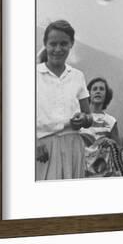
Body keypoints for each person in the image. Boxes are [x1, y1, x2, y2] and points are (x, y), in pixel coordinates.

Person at [36, 20, 93, 180]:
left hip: (73, 146)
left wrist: (83, 119)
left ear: (71, 44)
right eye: (53, 44)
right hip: (43, 147)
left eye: (64, 44)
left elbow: (89, 117)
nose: (58, 49)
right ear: (45, 44)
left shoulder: (77, 76)